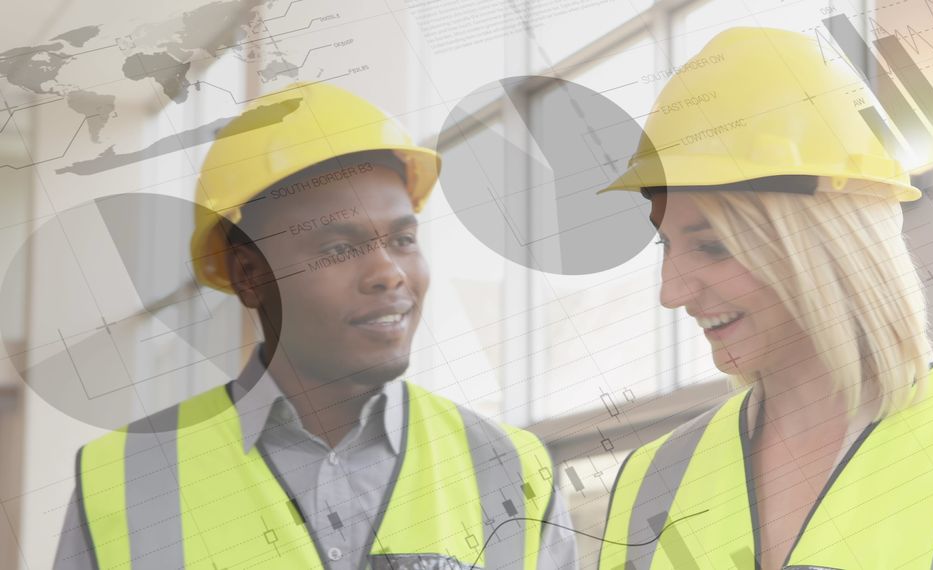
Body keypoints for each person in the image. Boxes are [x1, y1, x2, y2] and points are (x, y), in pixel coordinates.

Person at [598, 27, 933, 569]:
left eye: (713, 246)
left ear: (830, 245)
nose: (672, 292)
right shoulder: (652, 479)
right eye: (666, 244)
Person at [54, 82, 578, 569]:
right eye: (338, 248)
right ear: (249, 275)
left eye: (402, 240)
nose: (389, 274)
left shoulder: (513, 467)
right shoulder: (121, 478)